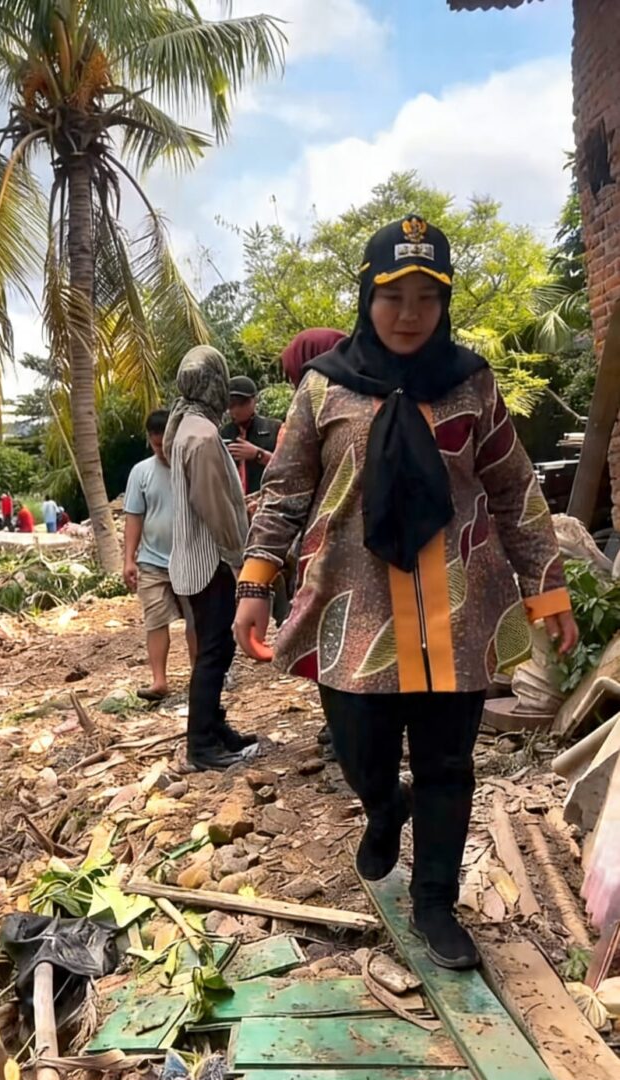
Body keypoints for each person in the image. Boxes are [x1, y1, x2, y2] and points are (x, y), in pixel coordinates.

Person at [234, 214, 578, 971]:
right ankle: (384, 807)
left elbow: (515, 488)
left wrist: (547, 591)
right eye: (393, 295)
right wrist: (257, 580)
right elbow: (286, 490)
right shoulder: (324, 389)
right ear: (367, 295)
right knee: (360, 748)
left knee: (450, 766)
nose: (410, 313)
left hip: (459, 613)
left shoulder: (471, 382)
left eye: (427, 296)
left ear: (444, 301)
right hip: (356, 613)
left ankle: (434, 903)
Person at [164, 346, 255, 771]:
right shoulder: (200, 435)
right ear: (213, 383)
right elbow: (215, 506)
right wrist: (239, 558)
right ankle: (201, 743)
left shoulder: (184, 426)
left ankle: (215, 727)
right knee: (214, 654)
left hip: (193, 560)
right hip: (210, 562)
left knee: (213, 652)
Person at [280, 328, 349, 755]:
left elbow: (288, 488)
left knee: (330, 642)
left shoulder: (316, 402)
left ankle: (344, 733)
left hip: (325, 552)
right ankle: (346, 732)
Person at [123, 409, 196, 702]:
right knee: (155, 620)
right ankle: (159, 681)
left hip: (191, 559)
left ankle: (198, 676)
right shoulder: (141, 473)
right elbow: (134, 517)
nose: (162, 451)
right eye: (156, 445)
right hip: (152, 561)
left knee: (195, 620)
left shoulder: (192, 467)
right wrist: (129, 559)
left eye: (166, 443)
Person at [221, 377, 281, 496]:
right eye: (231, 404)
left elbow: (287, 468)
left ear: (254, 400)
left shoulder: (275, 428)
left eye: (241, 403)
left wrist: (258, 455)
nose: (236, 410)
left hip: (265, 501)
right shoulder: (224, 433)